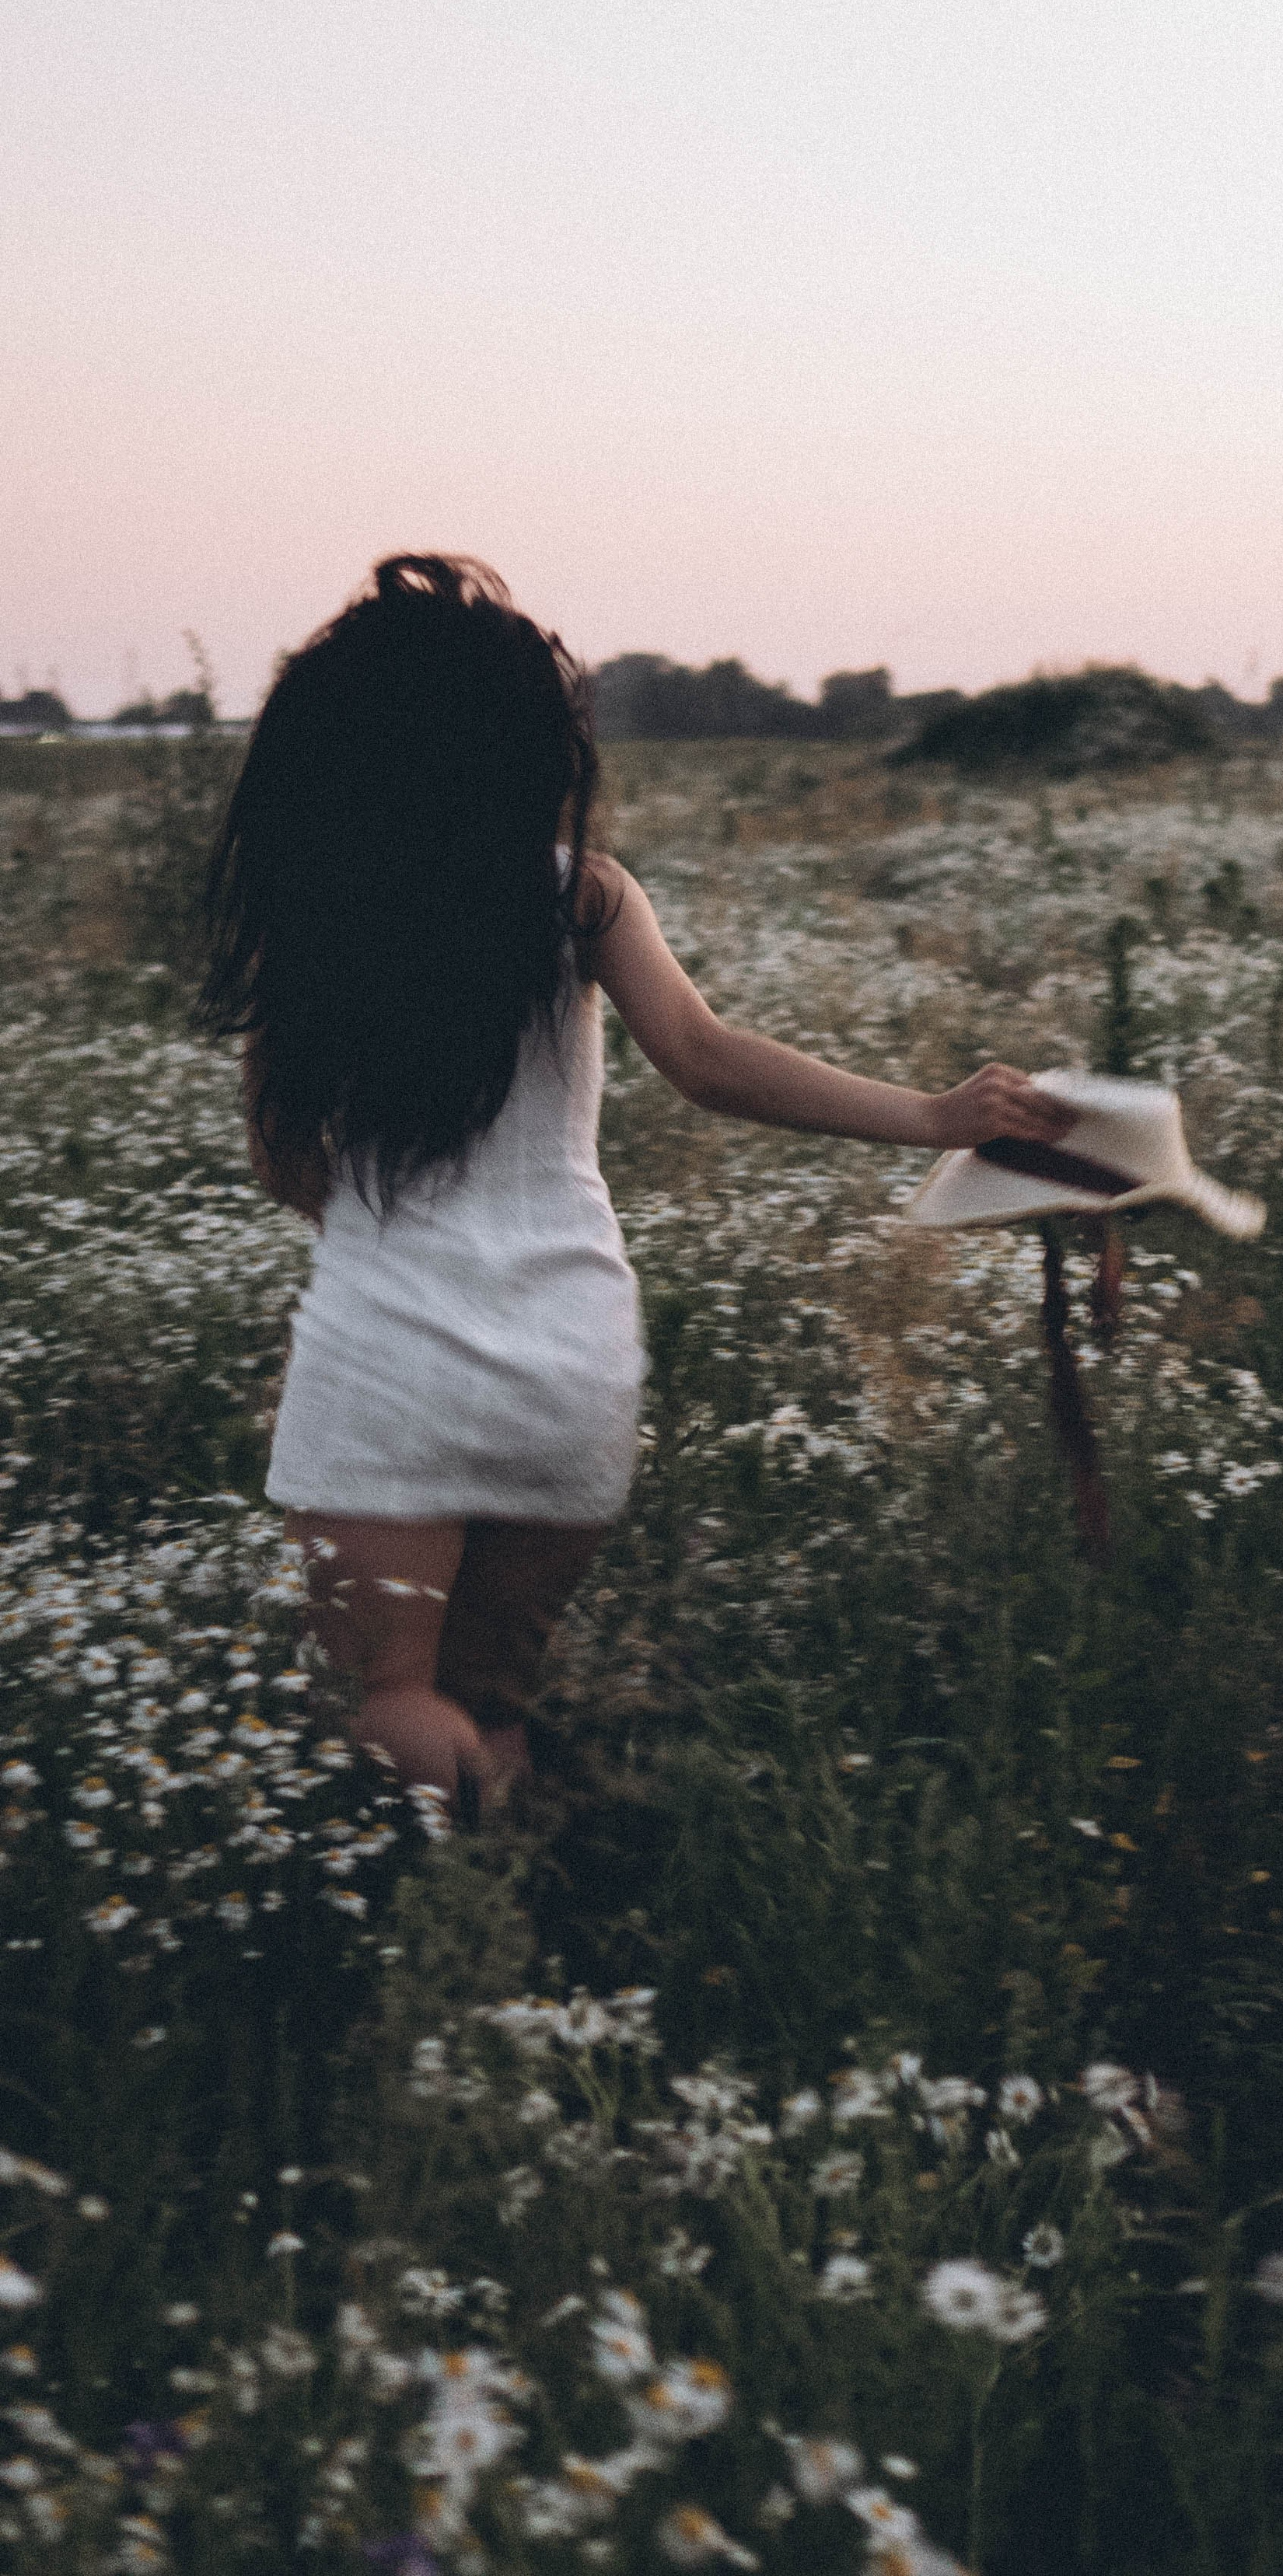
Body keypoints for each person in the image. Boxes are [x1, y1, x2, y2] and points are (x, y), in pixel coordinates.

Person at [199, 556, 1073, 1817]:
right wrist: (935, 1116)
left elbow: (287, 1164)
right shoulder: (581, 897)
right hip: (570, 1359)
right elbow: (714, 1062)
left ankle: (460, 1917)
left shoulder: (317, 913)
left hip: (391, 1360)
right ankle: (532, 1880)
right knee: (491, 1702)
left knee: (390, 1701)